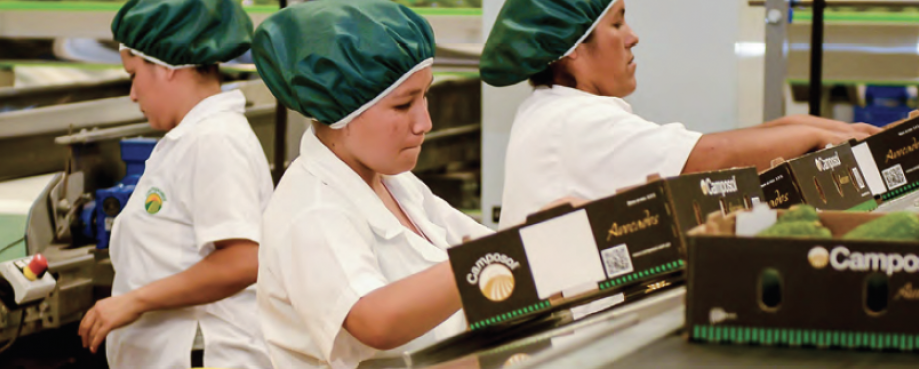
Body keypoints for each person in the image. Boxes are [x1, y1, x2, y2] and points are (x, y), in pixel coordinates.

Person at [480, 0, 883, 229]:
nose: (633, 36)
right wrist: (813, 138)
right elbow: (709, 157)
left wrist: (811, 126)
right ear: (571, 49)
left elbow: (708, 144)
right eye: (618, 22)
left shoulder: (560, 111)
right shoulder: (572, 123)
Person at [251, 1, 497, 367]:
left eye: (425, 95)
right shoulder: (312, 209)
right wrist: (494, 260)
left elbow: (480, 245)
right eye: (403, 106)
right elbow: (374, 319)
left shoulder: (398, 185)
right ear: (339, 109)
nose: (425, 122)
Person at [77, 1, 273, 368]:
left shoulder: (215, 140)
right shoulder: (192, 138)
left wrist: (132, 301)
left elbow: (244, 260)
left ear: (166, 66)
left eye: (133, 74)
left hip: (204, 355)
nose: (133, 93)